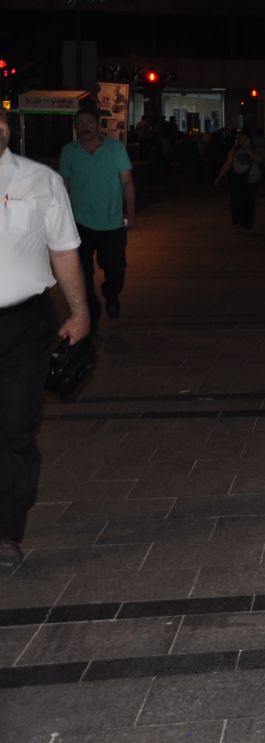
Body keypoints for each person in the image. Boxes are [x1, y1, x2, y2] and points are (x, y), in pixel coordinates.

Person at [0, 109, 91, 566]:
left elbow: (63, 250)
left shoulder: (42, 180)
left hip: (24, 324)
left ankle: (5, 529)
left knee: (14, 425)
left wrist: (79, 311)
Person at [58, 106, 136, 331]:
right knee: (82, 271)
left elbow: (127, 181)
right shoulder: (69, 151)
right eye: (80, 123)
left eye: (89, 122)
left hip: (112, 222)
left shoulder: (115, 148)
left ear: (98, 125)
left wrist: (130, 212)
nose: (85, 127)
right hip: (79, 222)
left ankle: (111, 293)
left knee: (116, 268)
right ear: (75, 127)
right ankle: (92, 311)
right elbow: (64, 184)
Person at [212, 127, 264, 230]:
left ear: (248, 139)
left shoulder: (255, 148)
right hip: (238, 178)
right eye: (238, 138)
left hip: (252, 179)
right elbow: (227, 164)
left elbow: (260, 160)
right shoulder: (234, 150)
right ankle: (238, 222)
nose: (240, 140)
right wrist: (219, 177)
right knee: (237, 201)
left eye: (242, 138)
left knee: (249, 202)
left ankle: (247, 224)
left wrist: (247, 150)